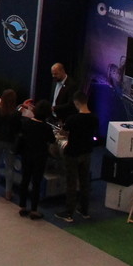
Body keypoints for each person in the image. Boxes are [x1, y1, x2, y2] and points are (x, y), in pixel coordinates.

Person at [57, 91, 98, 222]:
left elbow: (64, 132)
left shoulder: (72, 119)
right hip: (86, 153)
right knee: (84, 182)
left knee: (71, 183)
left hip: (72, 153)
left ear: (76, 103)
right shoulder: (94, 118)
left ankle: (69, 213)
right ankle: (84, 210)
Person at [14, 101, 53, 220]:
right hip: (40, 157)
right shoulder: (46, 127)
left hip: (26, 155)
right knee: (36, 182)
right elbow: (52, 140)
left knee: (25, 180)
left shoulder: (26, 123)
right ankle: (34, 209)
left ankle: (22, 206)